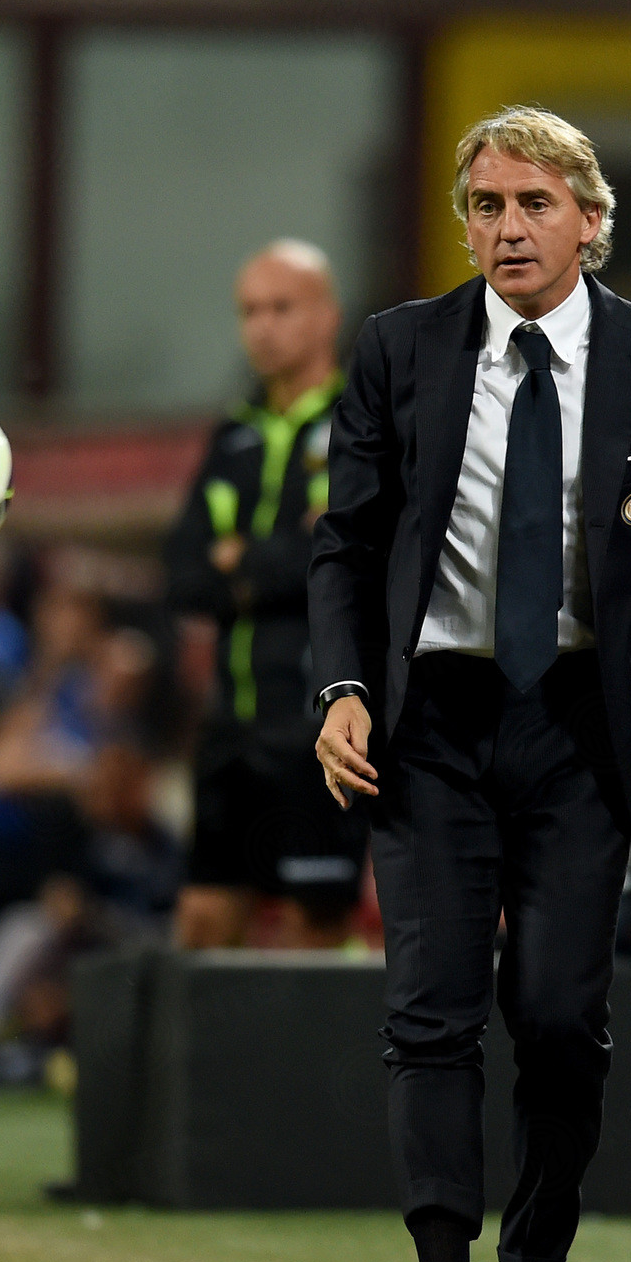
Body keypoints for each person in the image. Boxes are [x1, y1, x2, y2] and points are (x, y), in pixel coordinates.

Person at [311, 107, 631, 1262]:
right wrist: (341, 688)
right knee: (431, 1014)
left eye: (534, 203)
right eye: (486, 206)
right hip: (430, 727)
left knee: (561, 1019)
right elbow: (346, 544)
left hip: (579, 730)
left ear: (590, 220)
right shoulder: (397, 349)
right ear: (464, 225)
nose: (508, 228)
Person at [166, 240, 369, 949]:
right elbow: (183, 575)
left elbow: (349, 557)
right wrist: (290, 550)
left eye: (282, 308)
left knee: (316, 924)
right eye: (250, 311)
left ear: (327, 316)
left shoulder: (361, 423)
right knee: (204, 920)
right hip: (230, 724)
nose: (263, 327)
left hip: (318, 722)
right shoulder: (233, 435)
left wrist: (241, 560)